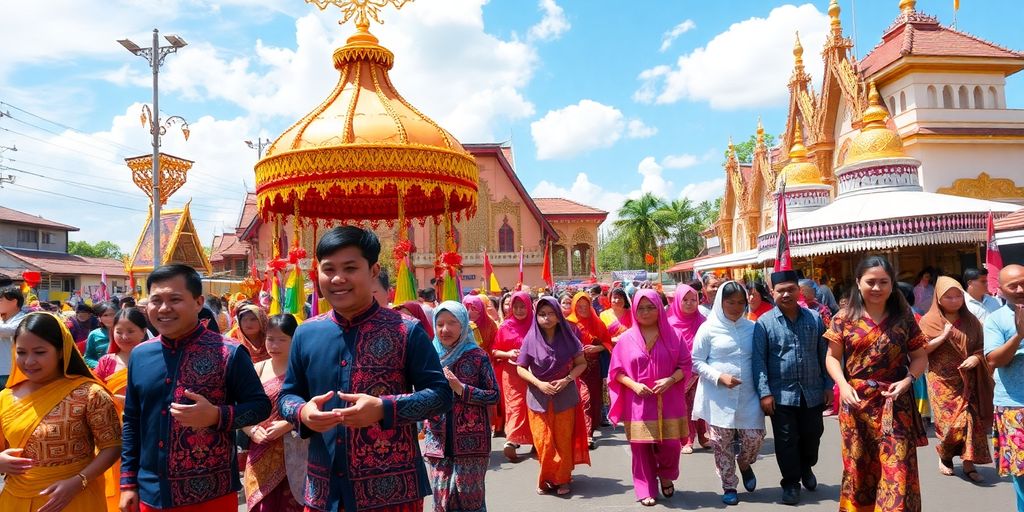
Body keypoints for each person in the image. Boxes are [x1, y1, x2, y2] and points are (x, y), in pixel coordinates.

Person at [278, 226, 452, 512]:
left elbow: (440, 396)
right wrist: (302, 412)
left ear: (373, 270)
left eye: (350, 267)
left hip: (392, 494)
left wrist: (384, 408)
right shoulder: (306, 333)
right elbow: (288, 395)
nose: (337, 278)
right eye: (328, 268)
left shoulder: (406, 331)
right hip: (324, 492)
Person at [119, 264, 271, 512]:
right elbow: (132, 421)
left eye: (175, 299)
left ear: (199, 302)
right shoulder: (140, 355)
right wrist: (127, 483)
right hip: (150, 491)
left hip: (211, 495)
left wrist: (217, 415)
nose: (164, 308)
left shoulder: (228, 352)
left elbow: (260, 407)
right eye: (156, 300)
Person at [824, 256, 929, 512]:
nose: (877, 287)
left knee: (898, 469)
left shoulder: (904, 317)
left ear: (892, 284)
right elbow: (832, 358)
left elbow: (919, 357)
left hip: (896, 403)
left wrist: (908, 380)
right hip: (856, 404)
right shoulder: (843, 318)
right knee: (859, 467)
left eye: (883, 282)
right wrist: (844, 385)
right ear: (858, 283)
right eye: (870, 282)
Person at [0, 312, 122, 511]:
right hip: (14, 500)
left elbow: (113, 445)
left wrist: (79, 481)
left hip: (74, 499)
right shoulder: (6, 396)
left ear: (60, 351)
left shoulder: (89, 394)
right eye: (21, 352)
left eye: (39, 352)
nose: (29, 361)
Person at [752, 270, 832, 505]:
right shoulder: (764, 324)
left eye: (791, 289)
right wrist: (765, 392)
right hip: (781, 395)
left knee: (812, 436)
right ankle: (790, 483)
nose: (786, 294)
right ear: (772, 293)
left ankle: (806, 466)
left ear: (799, 290)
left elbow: (824, 354)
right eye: (781, 291)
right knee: (786, 442)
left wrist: (828, 385)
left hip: (812, 392)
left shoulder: (814, 318)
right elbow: (759, 360)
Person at [608, 289, 691, 506]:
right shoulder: (626, 339)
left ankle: (665, 474)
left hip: (669, 400)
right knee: (641, 447)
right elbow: (615, 372)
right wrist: (634, 385)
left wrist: (670, 380)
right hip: (638, 403)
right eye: (640, 308)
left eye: (650, 307)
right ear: (633, 310)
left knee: (671, 445)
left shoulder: (674, 335)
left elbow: (686, 365)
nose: (645, 312)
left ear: (659, 308)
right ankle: (645, 488)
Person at [691, 281, 764, 506]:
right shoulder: (708, 328)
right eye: (730, 302)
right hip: (718, 397)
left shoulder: (753, 328)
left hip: (749, 396)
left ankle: (744, 463)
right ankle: (729, 484)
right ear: (720, 303)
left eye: (741, 302)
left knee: (754, 438)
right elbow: (696, 362)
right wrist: (718, 377)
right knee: (721, 443)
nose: (735, 307)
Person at [424, 301, 498, 512]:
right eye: (439, 324)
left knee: (469, 501)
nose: (445, 329)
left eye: (452, 323)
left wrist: (461, 389)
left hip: (472, 443)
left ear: (464, 324)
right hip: (437, 442)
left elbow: (494, 395)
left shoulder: (477, 357)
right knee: (441, 502)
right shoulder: (429, 357)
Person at [919, 276, 993, 482]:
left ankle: (968, 463)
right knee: (951, 424)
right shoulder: (929, 320)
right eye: (948, 297)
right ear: (938, 299)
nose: (954, 301)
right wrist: (943, 337)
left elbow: (982, 346)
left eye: (958, 296)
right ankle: (945, 456)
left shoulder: (972, 321)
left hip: (967, 378)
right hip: (941, 380)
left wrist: (976, 358)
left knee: (970, 420)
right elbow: (921, 350)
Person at [516, 297, 590, 496]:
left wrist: (566, 380)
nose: (546, 318)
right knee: (543, 441)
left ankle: (562, 478)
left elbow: (581, 363)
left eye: (550, 313)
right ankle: (547, 477)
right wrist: (539, 384)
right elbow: (520, 368)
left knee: (562, 440)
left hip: (564, 395)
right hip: (537, 396)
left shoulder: (569, 337)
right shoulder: (530, 338)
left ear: (558, 316)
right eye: (541, 314)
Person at [243, 314, 306, 512]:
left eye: (282, 340)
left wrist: (288, 424)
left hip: (293, 453)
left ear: (294, 340)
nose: (274, 345)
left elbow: (313, 406)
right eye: (270, 339)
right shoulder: (257, 370)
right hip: (259, 451)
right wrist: (252, 430)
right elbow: (242, 409)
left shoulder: (303, 372)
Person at [94, 307, 147, 512]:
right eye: (119, 331)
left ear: (143, 331)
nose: (124, 337)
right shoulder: (106, 362)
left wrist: (129, 403)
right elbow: (94, 396)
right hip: (112, 432)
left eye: (131, 331)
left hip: (143, 430)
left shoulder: (154, 359)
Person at [983, 264, 1024, 511]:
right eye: (1013, 286)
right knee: (1021, 473)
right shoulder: (995, 319)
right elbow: (994, 360)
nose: (1020, 289)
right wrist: (1019, 336)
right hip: (1013, 405)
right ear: (1001, 290)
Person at [492, 291, 535, 461]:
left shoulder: (536, 324)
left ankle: (536, 440)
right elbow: (495, 351)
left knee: (534, 406)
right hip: (511, 373)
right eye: (515, 306)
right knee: (515, 406)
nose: (518, 310)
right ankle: (511, 440)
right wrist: (508, 353)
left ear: (529, 306)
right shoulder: (505, 326)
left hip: (533, 372)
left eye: (522, 306)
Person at [566, 291, 612, 448]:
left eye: (586, 306)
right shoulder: (568, 324)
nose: (583, 309)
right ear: (574, 306)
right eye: (579, 306)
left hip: (593, 368)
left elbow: (607, 343)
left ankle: (589, 431)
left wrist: (596, 348)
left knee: (592, 400)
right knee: (582, 399)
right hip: (574, 368)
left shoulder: (598, 323)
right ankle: (583, 433)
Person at [666, 284, 708, 454]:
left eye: (693, 300)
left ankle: (703, 436)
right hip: (679, 372)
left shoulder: (703, 322)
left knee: (701, 404)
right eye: (685, 300)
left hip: (700, 371)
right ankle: (686, 440)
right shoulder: (669, 324)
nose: (690, 303)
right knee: (684, 407)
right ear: (677, 301)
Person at [0, 284, 28, 388]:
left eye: (1, 300)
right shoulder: (2, 319)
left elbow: (10, 331)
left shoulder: (24, 319)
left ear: (14, 302)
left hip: (10, 371)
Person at [84, 301, 117, 369]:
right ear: (99, 318)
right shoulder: (94, 335)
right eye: (105, 315)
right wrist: (100, 367)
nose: (110, 318)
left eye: (112, 314)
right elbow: (88, 357)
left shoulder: (125, 333)